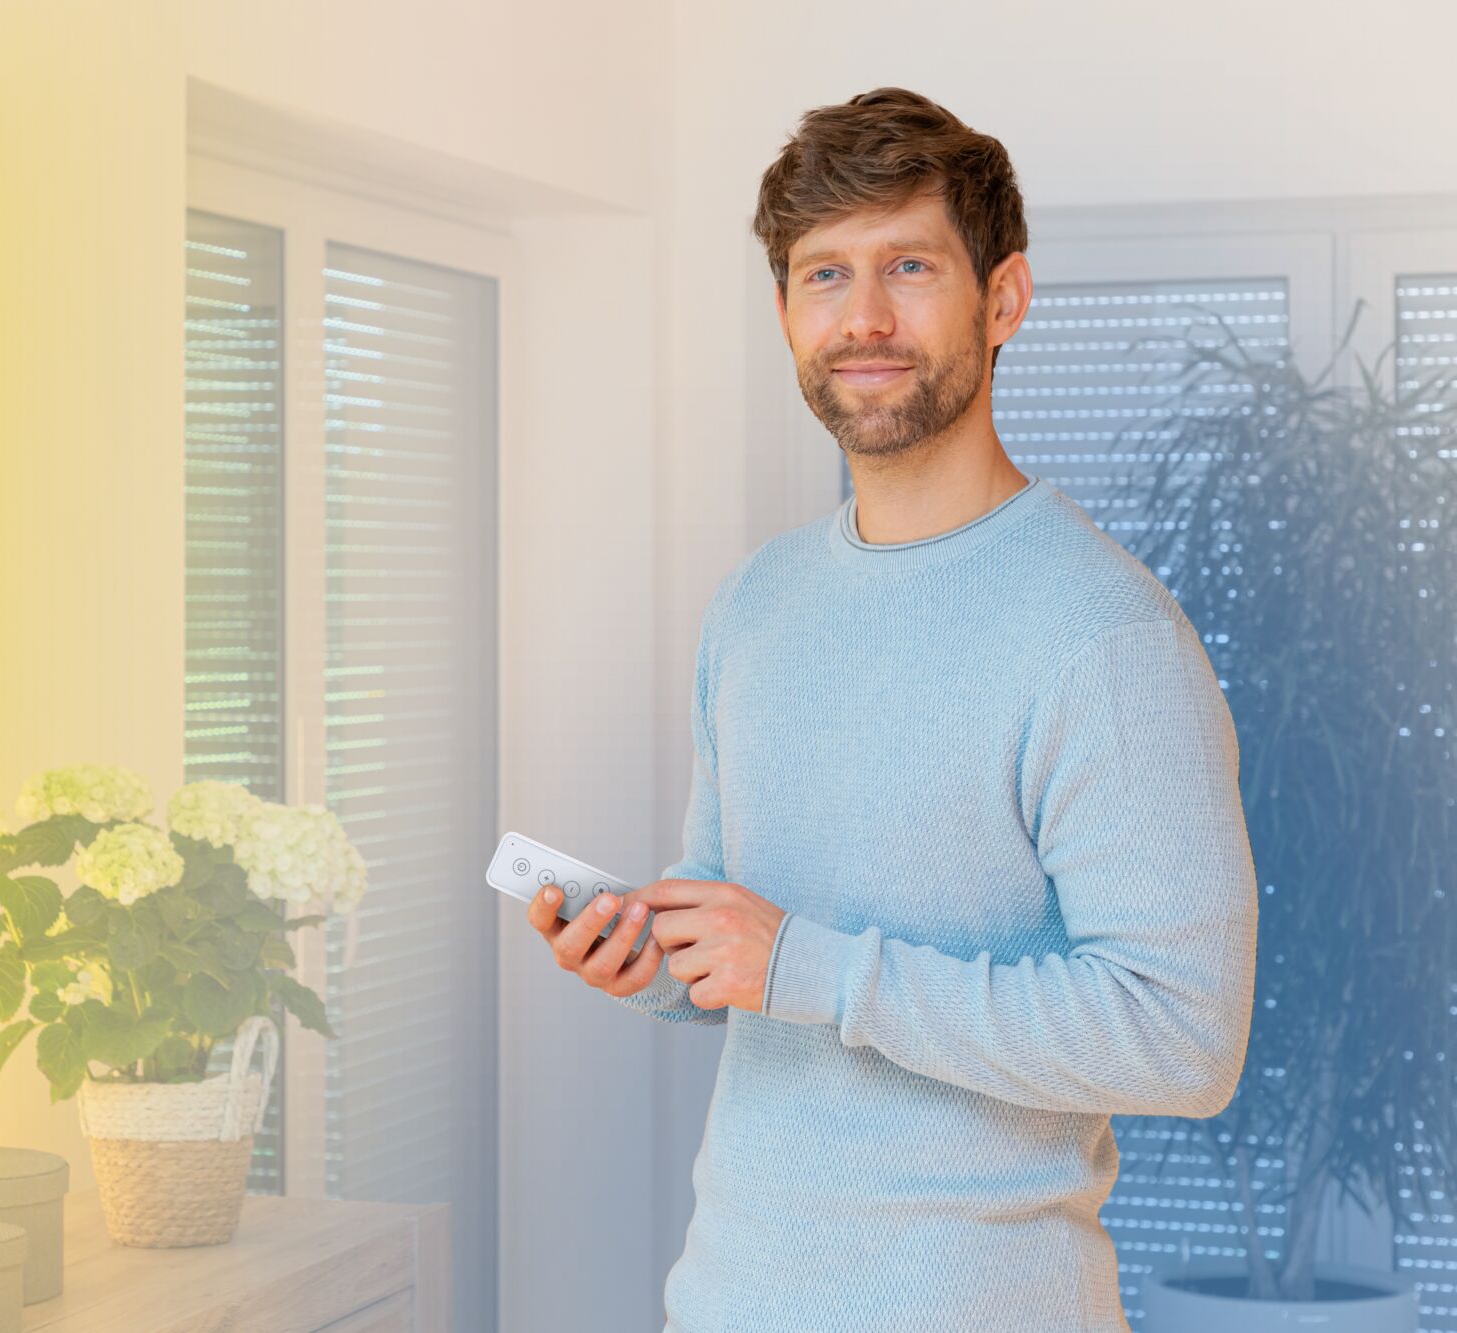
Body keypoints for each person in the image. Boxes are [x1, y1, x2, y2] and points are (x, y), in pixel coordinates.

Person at [527, 87, 1258, 1333]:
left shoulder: (1104, 638)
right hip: (727, 1300)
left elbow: (1183, 1039)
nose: (861, 317)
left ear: (1003, 298)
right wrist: (650, 957)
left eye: (908, 266)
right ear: (782, 314)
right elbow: (736, 936)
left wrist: (807, 966)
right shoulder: (754, 605)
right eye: (823, 275)